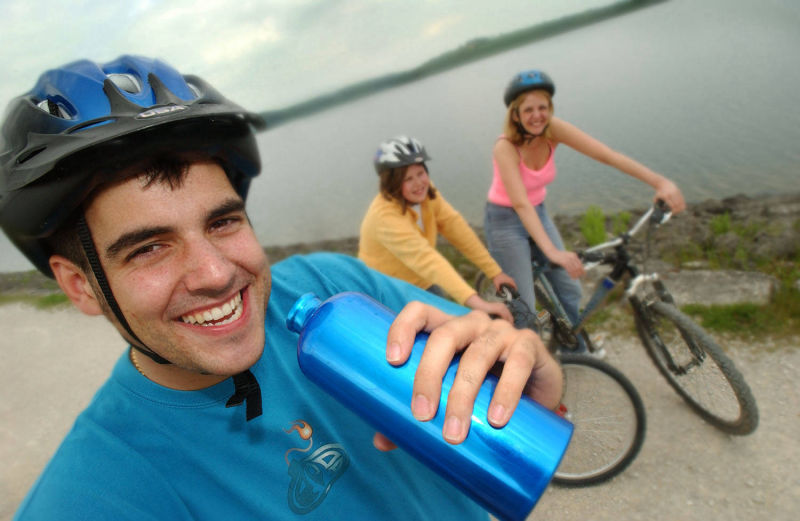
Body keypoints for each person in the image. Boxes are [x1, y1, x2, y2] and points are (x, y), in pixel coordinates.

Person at [0, 56, 562, 520]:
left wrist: (530, 380)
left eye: (223, 222)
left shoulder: (334, 285)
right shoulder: (93, 495)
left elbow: (531, 415)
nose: (217, 274)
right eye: (149, 248)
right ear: (81, 287)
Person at [484, 69, 686, 352]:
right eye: (528, 109)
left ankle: (573, 349)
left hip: (537, 211)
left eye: (542, 107)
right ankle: (517, 368)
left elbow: (607, 155)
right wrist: (553, 252)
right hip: (505, 220)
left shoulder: (553, 130)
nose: (537, 115)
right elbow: (519, 203)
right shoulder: (504, 147)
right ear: (515, 115)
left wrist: (660, 182)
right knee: (525, 311)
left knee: (569, 289)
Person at [359, 136, 516, 322]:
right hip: (388, 293)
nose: (419, 183)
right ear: (391, 184)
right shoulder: (384, 217)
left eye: (420, 173)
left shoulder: (425, 193)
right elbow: (427, 259)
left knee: (458, 327)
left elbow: (455, 227)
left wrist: (494, 272)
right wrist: (479, 303)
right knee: (440, 339)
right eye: (408, 179)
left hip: (422, 281)